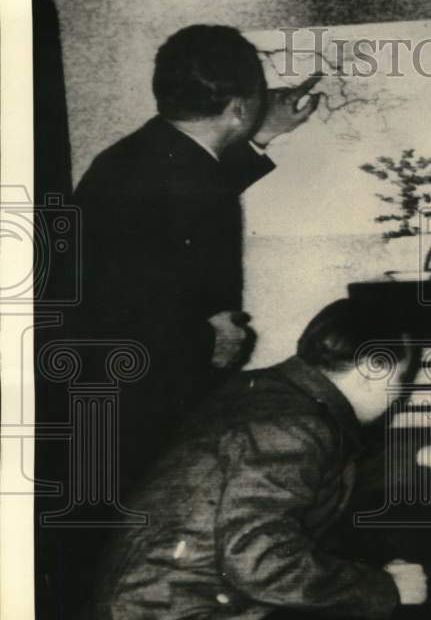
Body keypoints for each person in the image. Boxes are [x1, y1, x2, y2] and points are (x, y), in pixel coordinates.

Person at [69, 24, 322, 490]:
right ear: (238, 106)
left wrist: (256, 134)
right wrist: (206, 341)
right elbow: (113, 304)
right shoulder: (169, 170)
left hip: (126, 392)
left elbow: (184, 207)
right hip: (141, 401)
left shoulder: (143, 156)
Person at [89, 299, 428, 620]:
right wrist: (385, 589)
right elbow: (260, 562)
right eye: (404, 376)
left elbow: (323, 471)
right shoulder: (295, 425)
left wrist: (425, 455)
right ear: (374, 368)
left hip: (158, 600)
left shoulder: (270, 392)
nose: (402, 394)